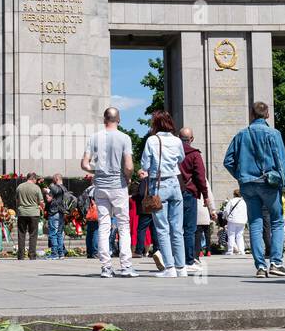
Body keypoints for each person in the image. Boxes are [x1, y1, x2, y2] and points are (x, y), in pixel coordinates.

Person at [224, 101, 285, 280]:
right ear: (267, 115)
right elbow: (281, 161)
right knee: (277, 221)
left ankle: (260, 266)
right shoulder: (273, 133)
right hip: (269, 183)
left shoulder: (241, 135)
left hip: (248, 184)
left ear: (251, 114)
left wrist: (241, 176)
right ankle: (276, 262)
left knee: (255, 223)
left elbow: (228, 161)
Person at [81, 108, 136, 278]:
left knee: (103, 226)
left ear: (104, 119)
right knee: (123, 226)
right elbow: (128, 166)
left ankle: (106, 267)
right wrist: (128, 178)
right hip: (118, 185)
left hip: (101, 187)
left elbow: (84, 164)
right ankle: (126, 266)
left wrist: (98, 171)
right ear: (118, 119)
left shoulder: (94, 137)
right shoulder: (124, 138)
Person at [139, 111, 186, 278]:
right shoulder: (177, 140)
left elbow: (145, 163)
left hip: (158, 185)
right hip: (175, 183)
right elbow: (180, 158)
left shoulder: (152, 140)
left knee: (162, 228)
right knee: (177, 228)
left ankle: (170, 267)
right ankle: (181, 266)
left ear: (155, 124)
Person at [179, 128, 209, 271]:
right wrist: (206, 196)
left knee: (175, 228)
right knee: (189, 229)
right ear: (192, 139)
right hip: (189, 193)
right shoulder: (194, 155)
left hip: (173, 193)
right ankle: (188, 261)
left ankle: (174, 259)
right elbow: (200, 177)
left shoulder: (173, 153)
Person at [16, 172, 44, 261]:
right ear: (34, 179)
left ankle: (21, 255)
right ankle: (32, 255)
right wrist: (41, 207)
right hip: (34, 213)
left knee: (21, 234)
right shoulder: (36, 188)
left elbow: (17, 200)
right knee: (33, 235)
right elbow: (41, 202)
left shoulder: (19, 187)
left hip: (22, 213)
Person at [44, 172, 69, 260]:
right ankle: (61, 253)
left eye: (53, 179)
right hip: (62, 213)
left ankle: (54, 254)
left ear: (57, 179)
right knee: (59, 233)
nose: (52, 181)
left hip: (54, 212)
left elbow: (49, 199)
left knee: (53, 234)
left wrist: (46, 192)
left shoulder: (54, 187)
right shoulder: (64, 188)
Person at [221, 187, 248, 254]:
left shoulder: (231, 201)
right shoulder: (244, 202)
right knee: (240, 235)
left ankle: (230, 250)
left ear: (234, 194)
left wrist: (224, 216)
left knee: (231, 235)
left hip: (232, 220)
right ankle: (241, 250)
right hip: (242, 220)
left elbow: (226, 211)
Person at [196, 179, 216, 259]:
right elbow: (210, 196)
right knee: (207, 235)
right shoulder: (204, 180)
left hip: (195, 212)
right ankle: (208, 251)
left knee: (198, 235)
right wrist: (213, 210)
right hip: (204, 212)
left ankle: (199, 251)